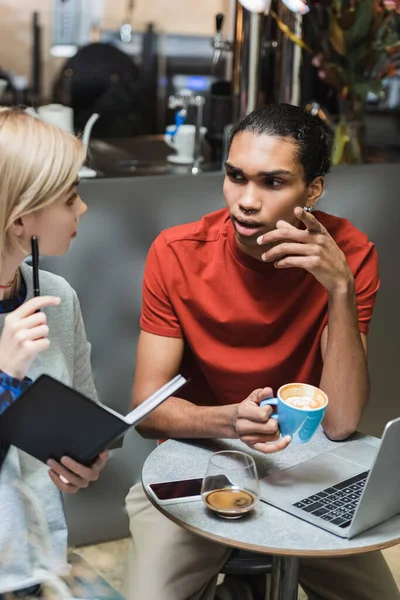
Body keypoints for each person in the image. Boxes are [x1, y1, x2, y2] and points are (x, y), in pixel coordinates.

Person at [125, 103, 399, 600]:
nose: (246, 200)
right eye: (235, 176)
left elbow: (338, 421)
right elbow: (147, 412)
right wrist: (229, 422)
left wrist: (340, 289)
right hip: (195, 467)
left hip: (307, 470)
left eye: (273, 182)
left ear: (312, 190)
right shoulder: (177, 251)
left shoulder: (350, 254)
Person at [0, 107, 108, 596]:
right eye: (71, 198)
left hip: (40, 559)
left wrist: (87, 458)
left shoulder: (58, 297)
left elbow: (83, 413)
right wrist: (4, 376)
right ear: (21, 219)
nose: (82, 210)